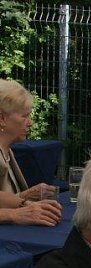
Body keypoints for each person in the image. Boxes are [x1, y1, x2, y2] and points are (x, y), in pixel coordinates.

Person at [0, 78, 62, 226]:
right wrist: (15, 213)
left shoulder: (7, 151)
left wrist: (24, 198)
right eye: (24, 116)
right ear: (2, 118)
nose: (30, 123)